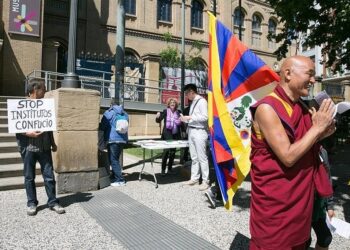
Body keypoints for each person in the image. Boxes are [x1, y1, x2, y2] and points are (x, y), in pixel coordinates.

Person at [249, 56, 335, 249]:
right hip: (276, 205)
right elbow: (288, 156)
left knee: (300, 242)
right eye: (310, 74)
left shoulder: (301, 106)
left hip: (301, 201)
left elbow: (302, 144)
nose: (313, 80)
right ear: (288, 74)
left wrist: (322, 132)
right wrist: (316, 129)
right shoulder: (267, 108)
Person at [16, 79, 65, 216]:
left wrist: (53, 143)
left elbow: (49, 127)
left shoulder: (45, 105)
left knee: (49, 177)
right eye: (43, 89)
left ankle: (53, 202)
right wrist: (27, 133)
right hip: (28, 148)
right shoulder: (21, 105)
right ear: (35, 89)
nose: (45, 91)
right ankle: (31, 203)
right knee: (29, 177)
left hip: (44, 148)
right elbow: (16, 126)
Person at [180, 84, 210, 191]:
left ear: (192, 92)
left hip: (199, 131)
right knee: (194, 157)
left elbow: (205, 117)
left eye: (187, 93)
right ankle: (195, 178)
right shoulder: (193, 102)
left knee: (202, 157)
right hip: (192, 131)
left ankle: (206, 181)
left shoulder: (202, 101)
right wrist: (186, 119)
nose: (186, 96)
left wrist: (190, 117)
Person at [99, 103, 128, 186]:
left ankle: (120, 180)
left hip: (112, 139)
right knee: (115, 158)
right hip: (122, 139)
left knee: (113, 159)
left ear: (111, 105)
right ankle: (115, 175)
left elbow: (103, 125)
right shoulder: (125, 113)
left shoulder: (109, 113)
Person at [155, 98, 182, 176]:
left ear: (176, 104)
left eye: (174, 102)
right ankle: (163, 169)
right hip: (167, 134)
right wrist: (157, 117)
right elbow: (159, 120)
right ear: (169, 104)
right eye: (171, 102)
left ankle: (169, 169)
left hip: (175, 134)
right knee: (166, 151)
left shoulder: (178, 112)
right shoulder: (166, 111)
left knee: (173, 152)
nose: (172, 103)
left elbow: (181, 123)